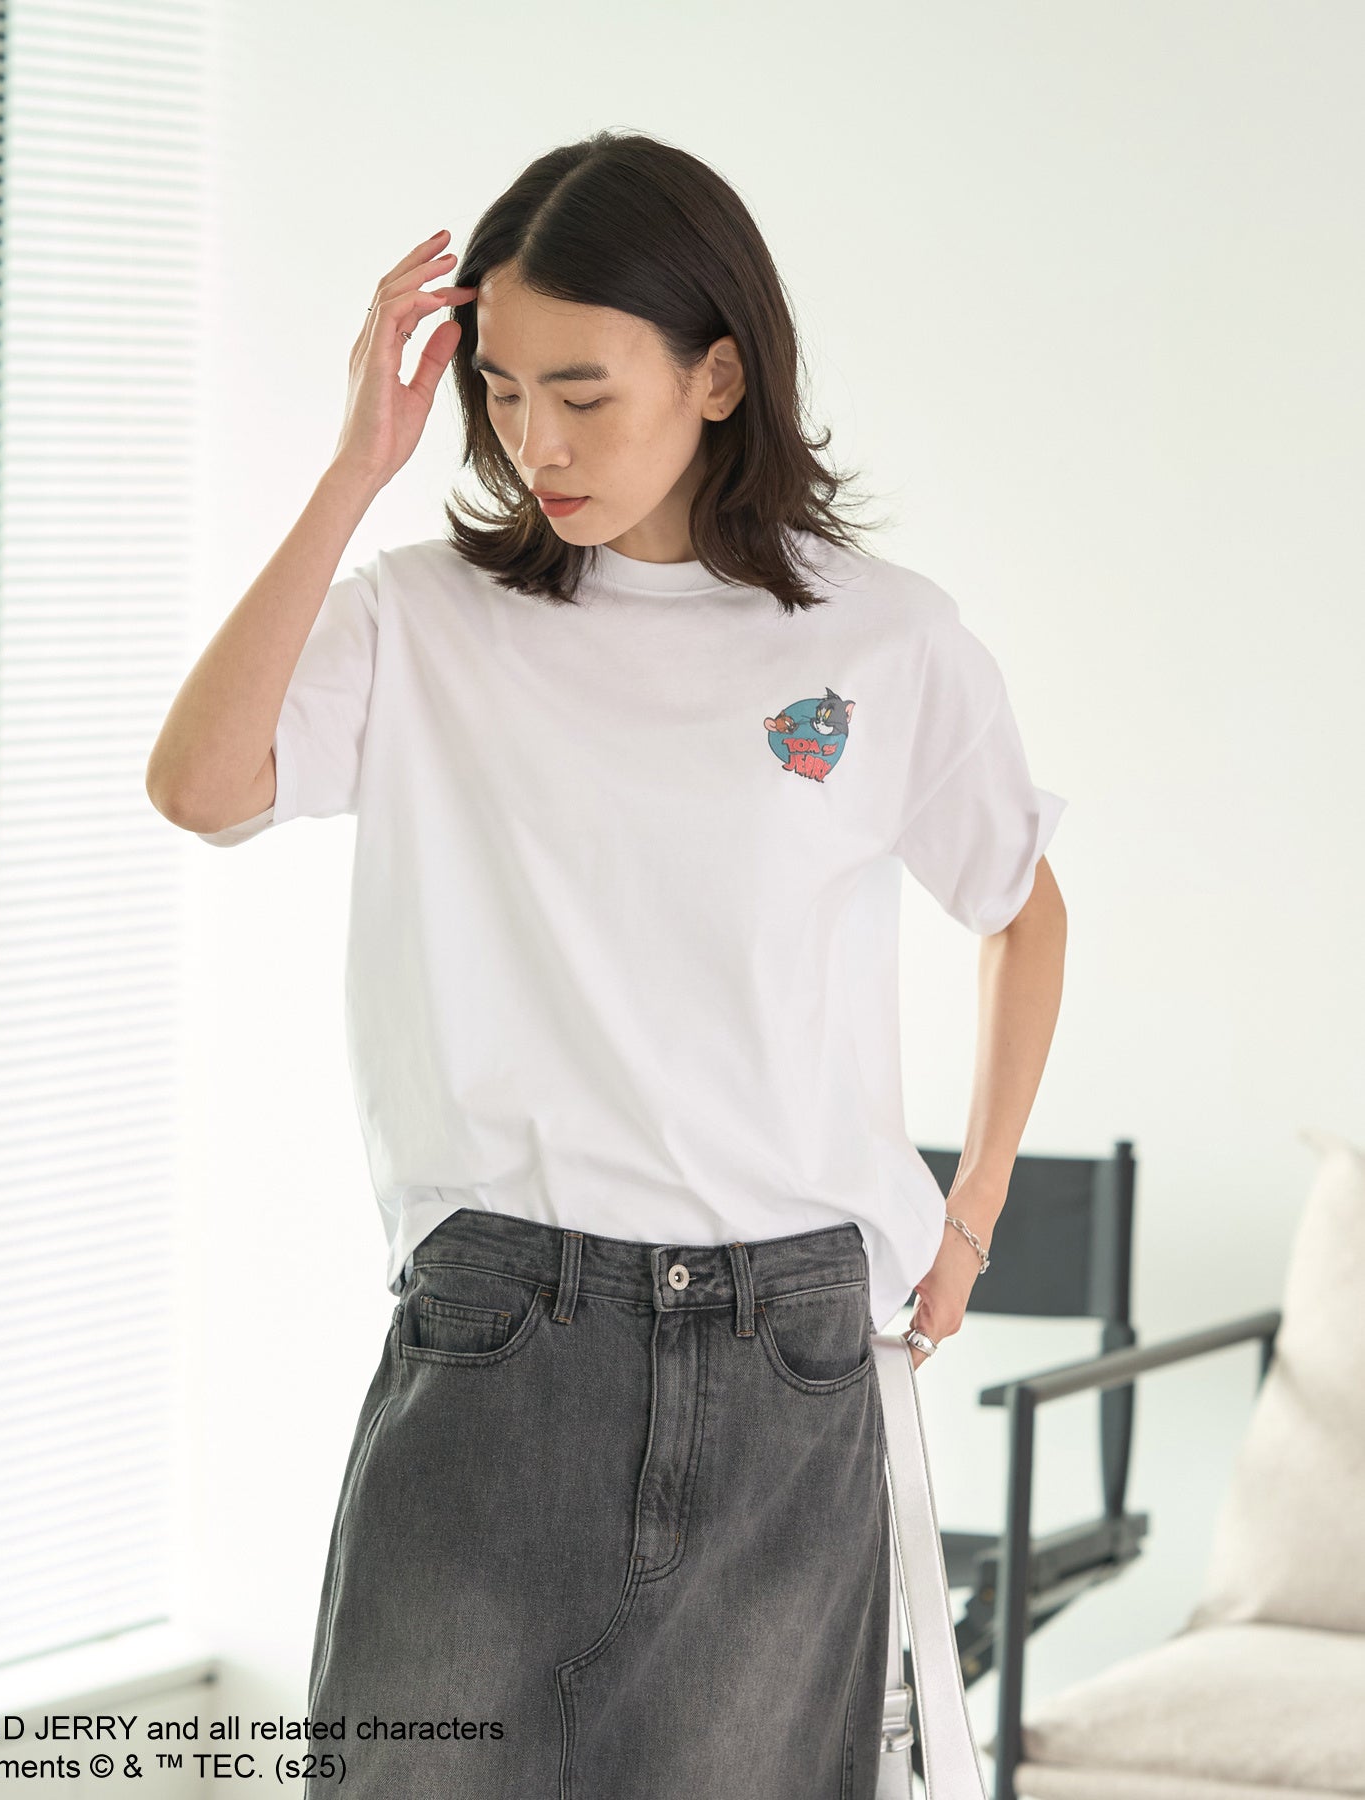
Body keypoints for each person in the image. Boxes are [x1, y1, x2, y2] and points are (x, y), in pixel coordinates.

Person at [146, 129, 1068, 1800]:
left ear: (718, 376)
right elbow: (200, 788)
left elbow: (1020, 903)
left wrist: (974, 1207)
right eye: (501, 393)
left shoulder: (882, 638)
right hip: (501, 1332)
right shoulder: (425, 618)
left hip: (786, 1350)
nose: (537, 443)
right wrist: (354, 472)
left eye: (583, 392)